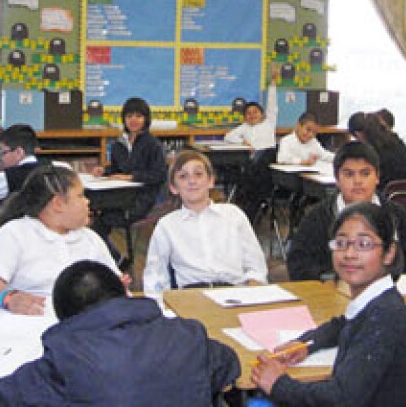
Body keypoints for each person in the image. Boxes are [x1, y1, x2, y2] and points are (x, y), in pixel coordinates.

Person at [0, 260, 240, 406]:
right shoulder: (188, 335)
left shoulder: (63, 360)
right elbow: (229, 364)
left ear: (66, 317)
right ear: (124, 292)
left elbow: (1, 398)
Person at [252, 202, 406, 406]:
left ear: (389, 253)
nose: (349, 254)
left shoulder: (386, 316)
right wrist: (307, 343)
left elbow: (340, 399)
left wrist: (279, 384)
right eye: (341, 243)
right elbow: (343, 324)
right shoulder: (377, 302)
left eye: (364, 244)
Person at [0, 165, 126, 315]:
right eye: (80, 196)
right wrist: (10, 298)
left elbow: (112, 279)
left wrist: (118, 286)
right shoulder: (15, 233)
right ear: (58, 204)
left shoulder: (90, 238)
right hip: (33, 320)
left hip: (86, 320)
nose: (87, 202)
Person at [288, 141, 406, 281]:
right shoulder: (317, 218)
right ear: (337, 179)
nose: (357, 181)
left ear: (377, 177)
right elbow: (299, 266)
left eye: (365, 173)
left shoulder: (398, 216)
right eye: (349, 174)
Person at [143, 150, 268, 301]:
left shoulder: (234, 215)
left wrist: (252, 292)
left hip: (235, 292)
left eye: (198, 174)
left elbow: (256, 266)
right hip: (192, 297)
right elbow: (155, 276)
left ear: (211, 181)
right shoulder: (167, 225)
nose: (192, 181)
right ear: (174, 188)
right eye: (183, 176)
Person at [92, 97, 167, 223]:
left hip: (143, 198)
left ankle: (105, 241)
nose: (133, 120)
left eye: (138, 116)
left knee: (104, 219)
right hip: (122, 194)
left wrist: (131, 177)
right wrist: (104, 171)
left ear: (146, 119)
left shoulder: (153, 144)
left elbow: (159, 175)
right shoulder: (119, 143)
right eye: (129, 116)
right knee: (95, 209)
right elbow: (118, 169)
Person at [0, 124, 51, 202]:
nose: (1, 158)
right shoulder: (50, 169)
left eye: (3, 152)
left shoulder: (11, 176)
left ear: (19, 152)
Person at [349, 112, 406, 186]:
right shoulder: (398, 142)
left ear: (359, 134)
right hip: (404, 194)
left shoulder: (370, 151)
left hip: (379, 194)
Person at [224, 67, 278, 150]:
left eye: (255, 112)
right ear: (245, 117)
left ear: (262, 114)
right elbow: (228, 137)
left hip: (268, 157)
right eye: (248, 113)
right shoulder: (244, 127)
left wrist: (273, 83)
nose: (252, 115)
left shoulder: (269, 122)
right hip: (252, 158)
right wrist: (242, 141)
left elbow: (272, 104)